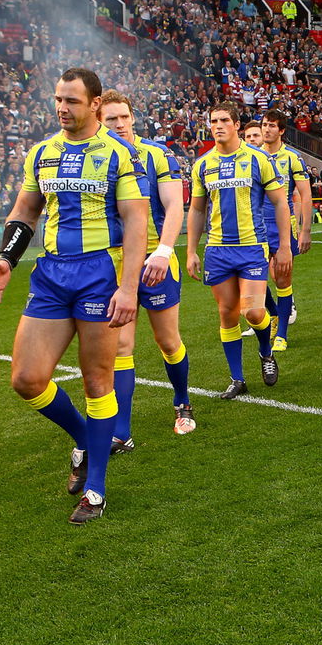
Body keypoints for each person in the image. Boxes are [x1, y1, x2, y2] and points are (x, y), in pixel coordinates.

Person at [0, 68, 149, 525]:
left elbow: (136, 223)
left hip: (98, 275)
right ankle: (83, 438)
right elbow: (25, 211)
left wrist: (128, 287)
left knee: (98, 383)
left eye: (71, 101)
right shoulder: (42, 152)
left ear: (95, 104)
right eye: (58, 99)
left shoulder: (119, 154)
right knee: (26, 379)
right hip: (50, 275)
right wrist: (6, 261)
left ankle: (95, 489)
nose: (61, 108)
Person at [99, 90, 193, 443]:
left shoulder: (157, 153)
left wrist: (165, 251)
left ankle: (182, 402)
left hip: (156, 261)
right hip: (115, 266)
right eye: (111, 119)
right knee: (121, 347)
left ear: (133, 117)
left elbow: (173, 207)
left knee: (167, 341)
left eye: (124, 117)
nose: (120, 124)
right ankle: (121, 431)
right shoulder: (98, 157)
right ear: (99, 122)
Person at [187, 102, 291, 399]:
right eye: (213, 121)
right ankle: (237, 379)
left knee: (254, 311)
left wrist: (283, 246)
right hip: (218, 250)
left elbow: (280, 203)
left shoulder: (259, 160)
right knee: (227, 314)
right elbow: (196, 210)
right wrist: (192, 250)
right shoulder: (202, 165)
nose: (217, 125)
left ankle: (265, 352)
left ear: (236, 124)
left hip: (251, 248)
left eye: (223, 120)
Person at [260, 108, 313, 352]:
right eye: (264, 125)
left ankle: (281, 333)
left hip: (283, 225)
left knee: (281, 278)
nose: (267, 129)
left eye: (272, 125)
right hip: (256, 226)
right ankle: (274, 313)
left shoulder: (292, 158)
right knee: (256, 279)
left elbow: (305, 193)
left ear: (281, 130)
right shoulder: (252, 156)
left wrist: (305, 230)